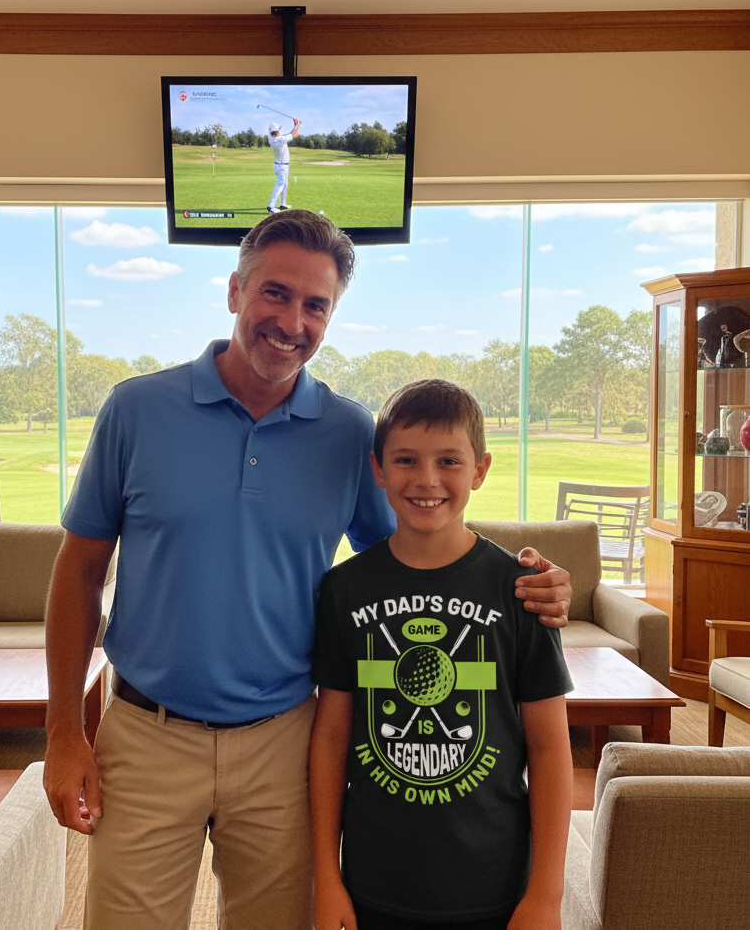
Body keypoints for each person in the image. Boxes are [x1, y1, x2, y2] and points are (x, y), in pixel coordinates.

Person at [43, 210, 572, 930]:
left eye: (315, 304)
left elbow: (420, 550)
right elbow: (77, 571)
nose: (292, 321)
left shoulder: (349, 433)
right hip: (146, 734)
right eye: (275, 293)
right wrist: (62, 732)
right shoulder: (136, 410)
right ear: (235, 291)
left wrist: (520, 577)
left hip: (286, 743)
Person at [310, 378, 574, 930]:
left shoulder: (522, 590)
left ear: (480, 469)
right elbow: (331, 740)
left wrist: (546, 896)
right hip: (374, 880)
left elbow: (550, 749)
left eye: (449, 461)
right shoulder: (345, 589)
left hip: (495, 883)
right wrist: (326, 879)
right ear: (378, 469)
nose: (427, 479)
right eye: (405, 459)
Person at [267, 117, 300, 213]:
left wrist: (295, 126)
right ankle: (270, 206)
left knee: (285, 184)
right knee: (280, 184)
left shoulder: (271, 137)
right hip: (281, 166)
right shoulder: (280, 140)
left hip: (281, 165)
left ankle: (282, 203)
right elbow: (294, 134)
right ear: (276, 131)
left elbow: (290, 134)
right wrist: (297, 124)